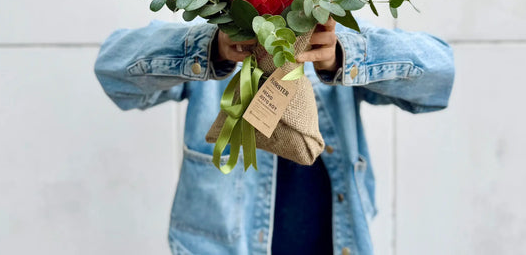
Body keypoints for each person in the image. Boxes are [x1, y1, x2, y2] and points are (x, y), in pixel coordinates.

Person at [94, 18, 454, 255]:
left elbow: (440, 77)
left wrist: (344, 53)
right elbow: (112, 68)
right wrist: (209, 49)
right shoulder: (221, 46)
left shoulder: (327, 45)